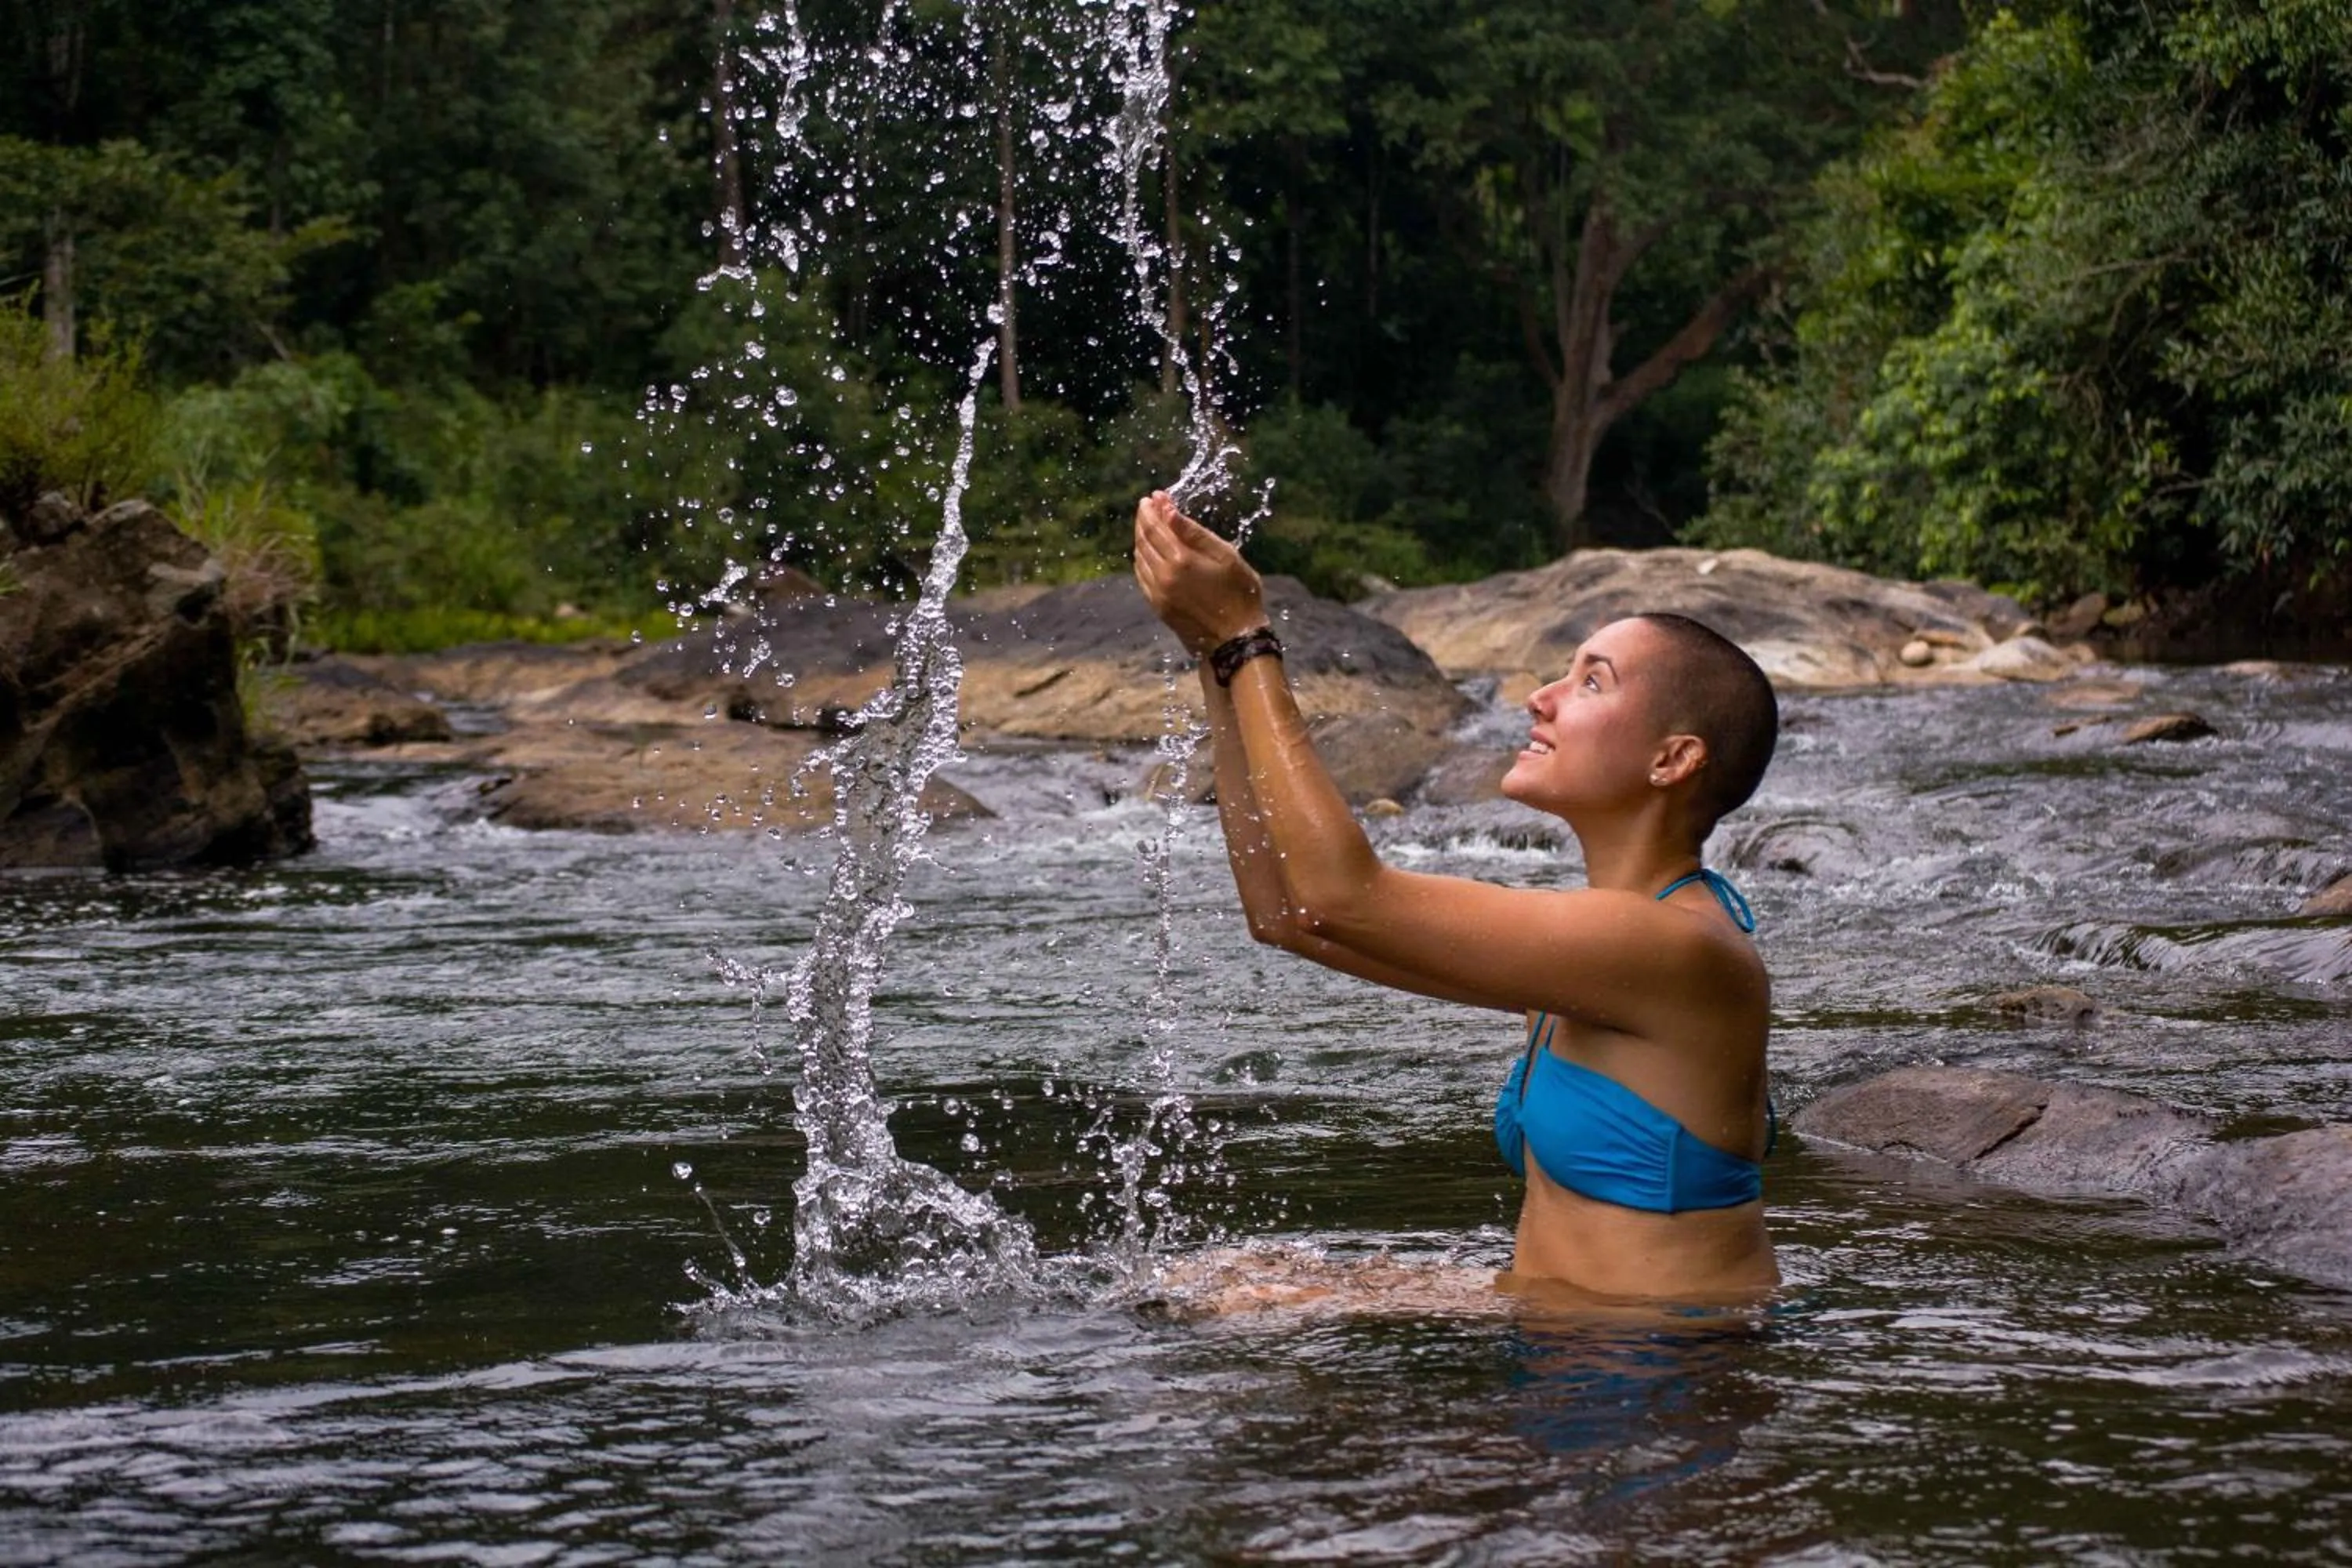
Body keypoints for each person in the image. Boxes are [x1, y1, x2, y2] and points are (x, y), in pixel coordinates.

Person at [1132, 490, 1780, 1303]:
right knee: (1217, 1283)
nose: (1540, 697)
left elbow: (1341, 895)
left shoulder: (1673, 947)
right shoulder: (1592, 947)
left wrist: (1246, 637)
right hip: (1564, 1329)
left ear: (1672, 759)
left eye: (1592, 682)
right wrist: (1214, 656)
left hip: (1668, 1361)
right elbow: (1287, 914)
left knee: (1226, 1321)